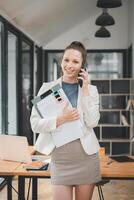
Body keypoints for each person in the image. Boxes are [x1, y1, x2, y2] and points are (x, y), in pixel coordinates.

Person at [30, 41, 101, 200]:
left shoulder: (91, 90)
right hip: (60, 160)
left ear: (83, 65)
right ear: (61, 61)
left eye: (75, 61)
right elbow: (35, 125)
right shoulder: (47, 88)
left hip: (86, 159)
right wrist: (60, 119)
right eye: (66, 60)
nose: (70, 65)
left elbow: (92, 122)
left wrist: (85, 91)